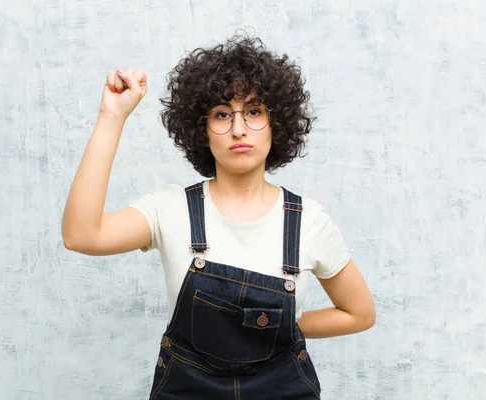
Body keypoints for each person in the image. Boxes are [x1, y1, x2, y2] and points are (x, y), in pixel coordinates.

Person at [62, 34, 375, 399]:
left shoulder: (309, 221)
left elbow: (359, 313)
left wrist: (283, 324)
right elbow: (81, 235)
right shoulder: (170, 210)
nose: (239, 129)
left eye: (254, 111)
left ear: (278, 124)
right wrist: (111, 116)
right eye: (222, 114)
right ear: (201, 131)